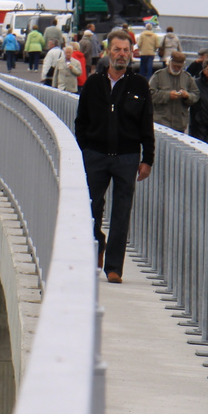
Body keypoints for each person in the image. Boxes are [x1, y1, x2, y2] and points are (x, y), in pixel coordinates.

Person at [75, 30, 154, 283]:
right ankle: (97, 245)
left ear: (132, 53)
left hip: (127, 157)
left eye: (126, 51)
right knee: (91, 207)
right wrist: (84, 150)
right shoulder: (94, 83)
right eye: (118, 50)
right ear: (108, 52)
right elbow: (81, 122)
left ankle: (114, 268)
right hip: (95, 155)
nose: (122, 55)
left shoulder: (139, 85)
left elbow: (146, 124)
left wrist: (147, 159)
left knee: (122, 213)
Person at [150, 51, 197, 132]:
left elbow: (196, 94)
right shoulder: (158, 75)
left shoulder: (187, 77)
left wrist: (187, 96)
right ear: (170, 62)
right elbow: (149, 94)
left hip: (179, 125)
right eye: (174, 66)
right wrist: (168, 95)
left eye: (179, 67)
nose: (176, 68)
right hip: (161, 124)